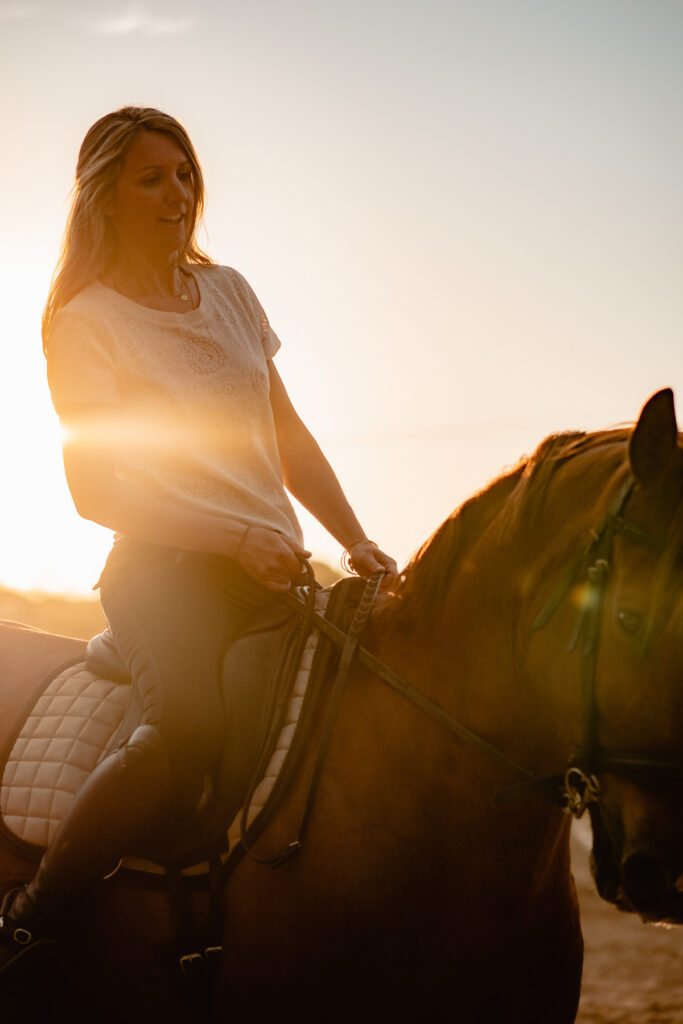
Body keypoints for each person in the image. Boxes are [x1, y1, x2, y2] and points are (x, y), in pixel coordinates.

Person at [0, 106, 398, 974]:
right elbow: (94, 486)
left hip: (273, 569)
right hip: (163, 575)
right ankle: (29, 921)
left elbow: (285, 435)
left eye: (183, 173)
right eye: (150, 178)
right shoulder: (84, 320)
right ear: (104, 195)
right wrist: (225, 533)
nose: (176, 193)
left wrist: (356, 538)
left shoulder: (230, 292)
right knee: (184, 731)